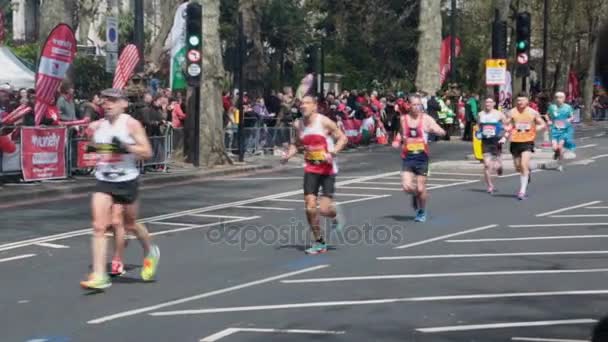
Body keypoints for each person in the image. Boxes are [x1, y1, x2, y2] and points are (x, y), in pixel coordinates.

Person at [80, 88, 160, 290]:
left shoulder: (131, 124)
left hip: (127, 179)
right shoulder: (99, 125)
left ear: (124, 103)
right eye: (106, 100)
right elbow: (91, 148)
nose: (108, 104)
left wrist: (126, 147)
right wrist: (90, 142)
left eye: (113, 100)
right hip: (104, 178)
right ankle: (99, 275)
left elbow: (147, 152)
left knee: (130, 224)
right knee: (99, 226)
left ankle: (151, 251)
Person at [281, 95, 348, 255]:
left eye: (307, 103)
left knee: (324, 209)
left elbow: (343, 138)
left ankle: (335, 214)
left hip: (327, 169)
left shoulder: (324, 121)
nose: (303, 106)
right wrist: (288, 154)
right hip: (311, 168)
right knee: (310, 207)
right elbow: (297, 144)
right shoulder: (299, 124)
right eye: (301, 103)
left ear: (315, 106)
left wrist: (332, 152)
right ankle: (319, 241)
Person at [392, 95, 446, 222]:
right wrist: (397, 140)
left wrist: (437, 131)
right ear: (409, 106)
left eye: (419, 105)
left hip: (422, 157)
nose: (417, 107)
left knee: (421, 188)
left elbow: (440, 130)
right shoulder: (403, 119)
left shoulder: (426, 118)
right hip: (408, 157)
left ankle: (421, 211)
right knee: (407, 187)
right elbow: (401, 132)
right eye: (414, 105)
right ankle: (416, 195)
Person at [506, 93, 546, 200]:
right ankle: (527, 172)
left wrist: (535, 129)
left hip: (527, 141)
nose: (520, 102)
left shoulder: (533, 112)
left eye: (522, 100)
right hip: (515, 141)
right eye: (518, 100)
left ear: (527, 101)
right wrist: (507, 128)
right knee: (518, 167)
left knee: (523, 164)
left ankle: (522, 191)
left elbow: (542, 124)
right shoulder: (512, 112)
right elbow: (507, 124)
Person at [477, 97, 508, 193]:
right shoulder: (480, 114)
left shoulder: (499, 114)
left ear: (494, 103)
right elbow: (478, 126)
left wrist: (504, 137)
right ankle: (490, 185)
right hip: (486, 141)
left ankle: (500, 167)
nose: (488, 104)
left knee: (496, 165)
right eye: (486, 102)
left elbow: (508, 127)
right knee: (487, 164)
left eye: (490, 102)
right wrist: (478, 133)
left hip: (496, 141)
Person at [547, 92, 575, 172]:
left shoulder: (568, 107)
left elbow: (572, 116)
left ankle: (560, 164)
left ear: (564, 98)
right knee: (555, 148)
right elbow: (547, 115)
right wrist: (548, 120)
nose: (558, 99)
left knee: (560, 147)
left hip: (564, 130)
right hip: (554, 129)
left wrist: (569, 120)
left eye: (560, 97)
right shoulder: (552, 107)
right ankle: (556, 152)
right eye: (557, 97)